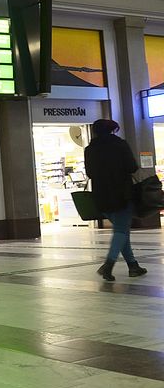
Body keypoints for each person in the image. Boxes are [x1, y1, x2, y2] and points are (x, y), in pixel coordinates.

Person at [85, 118, 147, 281]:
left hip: (101, 196)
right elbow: (132, 167)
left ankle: (133, 266)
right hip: (122, 194)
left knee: (122, 230)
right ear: (113, 130)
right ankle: (109, 264)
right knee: (121, 231)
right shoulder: (120, 145)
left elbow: (90, 173)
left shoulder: (89, 149)